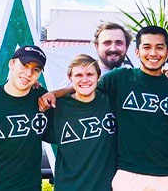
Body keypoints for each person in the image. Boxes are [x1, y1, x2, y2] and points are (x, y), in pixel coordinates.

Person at [100, 26, 168, 191]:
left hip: (167, 174)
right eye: (147, 47)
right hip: (128, 172)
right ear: (136, 52)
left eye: (159, 47)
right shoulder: (120, 78)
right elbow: (86, 89)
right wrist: (55, 94)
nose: (153, 53)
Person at [0, 45, 49, 191]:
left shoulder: (42, 98)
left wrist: (58, 93)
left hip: (28, 187)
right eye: (25, 65)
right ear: (11, 64)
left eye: (36, 69)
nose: (29, 73)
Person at [43, 54, 116, 191]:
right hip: (69, 186)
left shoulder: (111, 101)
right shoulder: (57, 107)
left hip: (106, 187)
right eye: (78, 75)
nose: (85, 80)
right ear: (70, 78)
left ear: (98, 77)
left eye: (90, 74)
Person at [38, 21, 132, 109]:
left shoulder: (132, 79)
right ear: (96, 46)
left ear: (127, 46)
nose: (113, 48)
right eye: (107, 43)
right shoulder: (75, 78)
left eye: (119, 43)